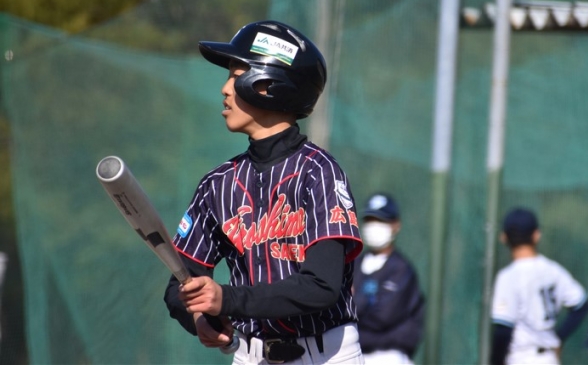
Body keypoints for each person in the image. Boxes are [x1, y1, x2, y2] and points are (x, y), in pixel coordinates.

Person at [163, 20, 364, 365]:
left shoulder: (318, 172)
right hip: (250, 356)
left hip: (327, 355)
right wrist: (197, 319)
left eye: (236, 76)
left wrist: (226, 299)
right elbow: (179, 285)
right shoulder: (218, 184)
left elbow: (321, 286)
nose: (225, 89)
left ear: (269, 84)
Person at [490, 207, 588, 365]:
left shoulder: (508, 276)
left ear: (504, 237)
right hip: (548, 358)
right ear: (536, 235)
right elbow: (582, 305)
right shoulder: (553, 270)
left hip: (522, 357)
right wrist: (559, 337)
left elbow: (503, 330)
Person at [352, 193, 425, 365]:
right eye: (370, 220)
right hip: (353, 353)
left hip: (388, 356)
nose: (373, 226)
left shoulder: (402, 270)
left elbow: (382, 318)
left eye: (381, 220)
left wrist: (352, 304)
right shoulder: (353, 264)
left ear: (395, 225)